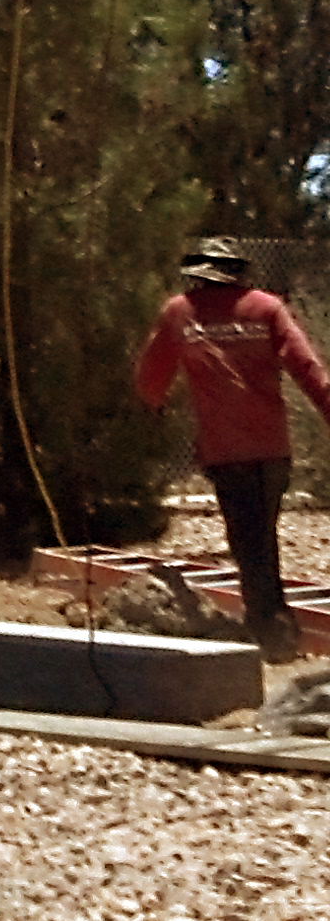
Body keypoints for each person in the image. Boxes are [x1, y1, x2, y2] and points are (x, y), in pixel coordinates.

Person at [134, 240, 330, 659]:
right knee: (261, 536)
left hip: (225, 450)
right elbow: (308, 369)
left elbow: (150, 380)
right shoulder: (266, 308)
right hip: (272, 446)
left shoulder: (179, 312)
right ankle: (273, 626)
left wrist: (149, 411)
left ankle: (272, 633)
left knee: (248, 539)